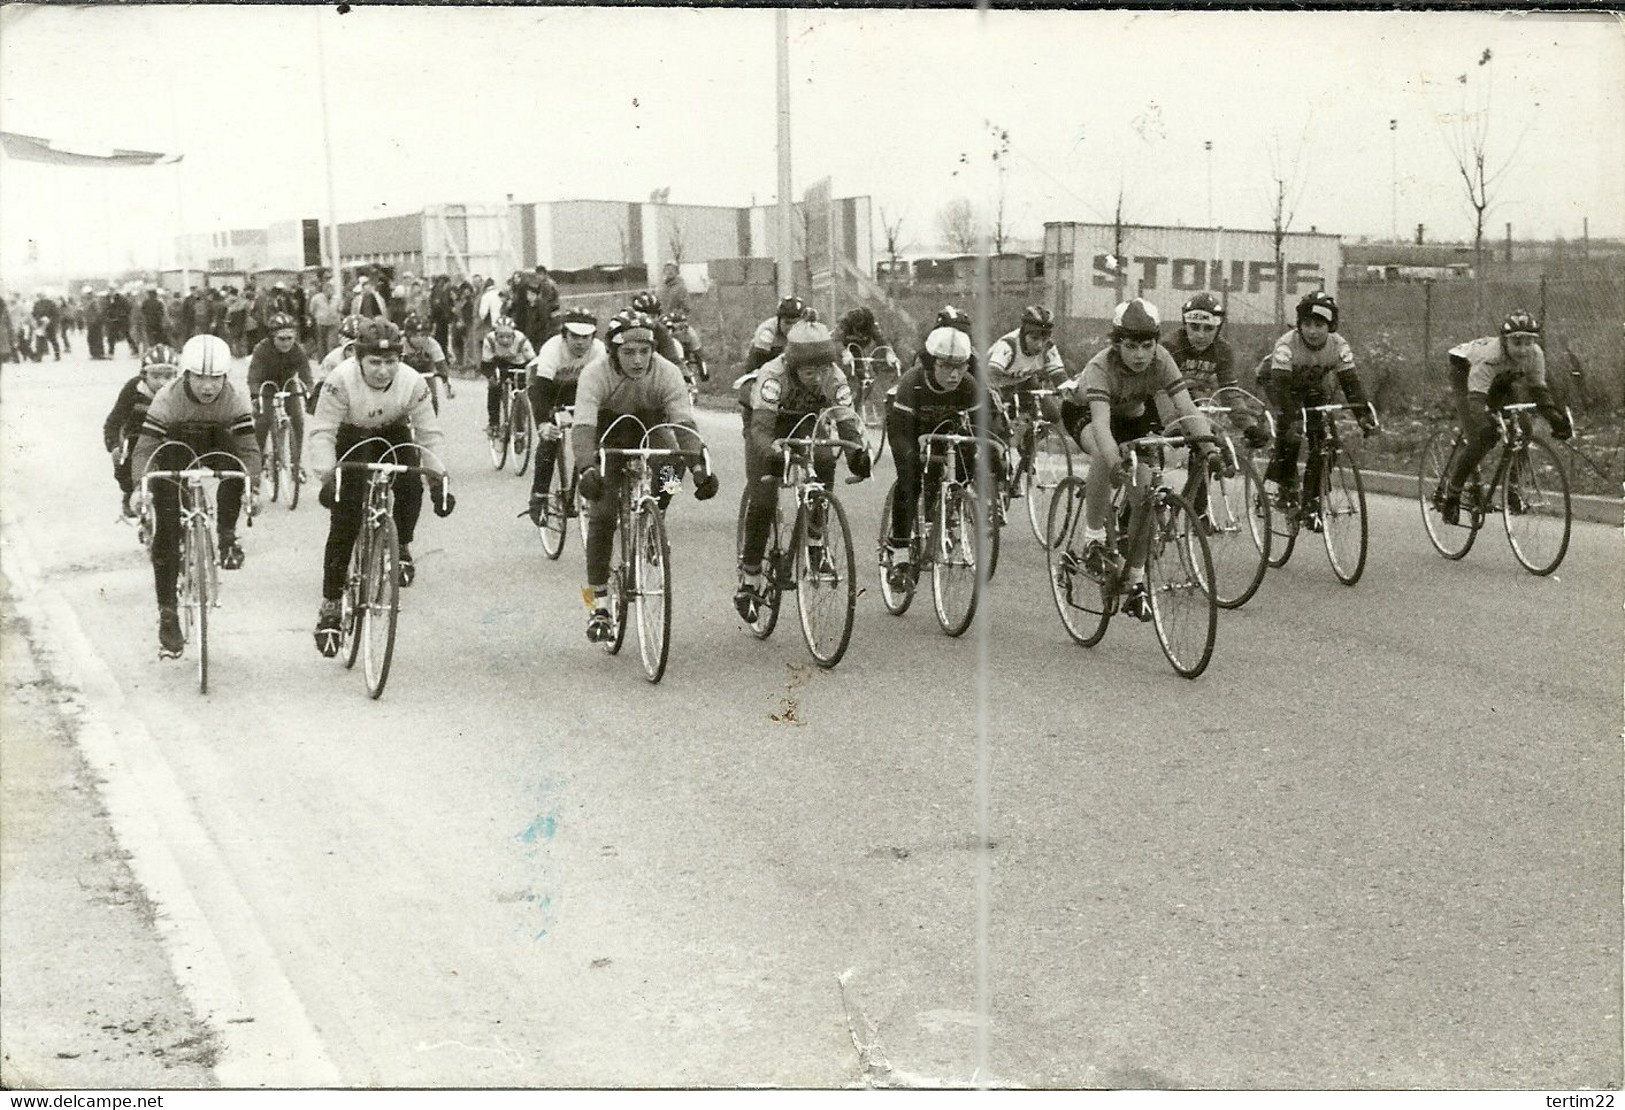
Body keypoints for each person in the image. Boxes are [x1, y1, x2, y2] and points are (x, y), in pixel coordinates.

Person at [1069, 298, 1227, 621]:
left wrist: (1209, 448)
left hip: (1132, 416)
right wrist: (1116, 465)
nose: (1140, 355)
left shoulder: (1162, 359)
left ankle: (1136, 581)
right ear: (1117, 345)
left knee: (1146, 490)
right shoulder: (1101, 367)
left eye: (1147, 346)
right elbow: (1101, 426)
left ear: (1156, 342)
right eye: (1131, 346)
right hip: (1088, 413)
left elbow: (1186, 407)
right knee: (1103, 453)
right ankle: (1094, 538)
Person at [307, 318, 454, 655]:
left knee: (410, 485)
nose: (383, 371)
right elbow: (323, 432)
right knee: (345, 517)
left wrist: (439, 482)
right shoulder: (340, 379)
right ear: (358, 358)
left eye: (391, 362)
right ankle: (330, 605)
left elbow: (429, 435)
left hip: (392, 430)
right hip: (351, 434)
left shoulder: (413, 382)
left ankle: (400, 545)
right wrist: (328, 477)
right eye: (375, 361)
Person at [570, 311, 718, 642]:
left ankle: (658, 510)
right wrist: (586, 467)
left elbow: (684, 426)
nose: (638, 361)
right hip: (608, 433)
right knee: (603, 515)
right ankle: (598, 605)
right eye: (628, 353)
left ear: (653, 350)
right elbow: (582, 429)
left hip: (651, 424)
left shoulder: (667, 372)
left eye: (644, 351)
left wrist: (699, 467)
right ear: (612, 353)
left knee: (672, 466)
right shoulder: (595, 374)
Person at [129, 335, 261, 656]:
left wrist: (253, 487)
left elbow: (248, 448)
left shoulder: (234, 397)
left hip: (217, 447)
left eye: (215, 377)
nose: (207, 386)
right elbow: (146, 448)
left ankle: (226, 535)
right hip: (175, 450)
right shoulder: (167, 398)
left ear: (225, 377)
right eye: (200, 377)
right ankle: (168, 613)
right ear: (185, 374)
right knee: (168, 528)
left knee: (236, 469)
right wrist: (140, 487)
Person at [734, 312, 869, 622]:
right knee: (765, 498)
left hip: (807, 421)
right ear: (793, 365)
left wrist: (856, 456)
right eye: (810, 372)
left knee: (823, 459)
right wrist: (771, 453)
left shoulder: (834, 376)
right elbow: (761, 430)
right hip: (767, 423)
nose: (818, 378)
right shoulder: (772, 374)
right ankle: (750, 579)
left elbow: (846, 420)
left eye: (824, 370)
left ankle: (816, 542)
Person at [881, 325, 1005, 589]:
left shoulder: (969, 385)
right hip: (908, 427)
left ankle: (946, 508)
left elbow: (980, 427)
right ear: (929, 364)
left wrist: (994, 448)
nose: (954, 374)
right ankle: (901, 550)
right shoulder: (912, 382)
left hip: (944, 430)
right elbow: (901, 433)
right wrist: (912, 451)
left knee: (968, 458)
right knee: (910, 476)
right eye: (946, 366)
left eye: (960, 366)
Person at [1260, 291, 1378, 532]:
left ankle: (1311, 499)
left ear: (1330, 326)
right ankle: (1285, 484)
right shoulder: (1287, 344)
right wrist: (1292, 418)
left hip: (1313, 388)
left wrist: (1363, 416)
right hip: (1280, 384)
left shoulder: (1339, 345)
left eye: (1319, 325)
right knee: (1292, 431)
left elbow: (1350, 383)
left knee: (1327, 444)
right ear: (1299, 325)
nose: (1312, 331)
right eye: (1307, 324)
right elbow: (1281, 388)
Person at [1437, 310, 1571, 524]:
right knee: (1481, 437)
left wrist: (1555, 418)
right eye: (1516, 342)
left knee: (1524, 428)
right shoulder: (1491, 357)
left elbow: (1539, 392)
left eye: (1529, 342)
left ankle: (1513, 489)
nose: (1523, 349)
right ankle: (1452, 494)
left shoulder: (1535, 355)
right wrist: (1484, 420)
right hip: (1464, 370)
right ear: (1504, 341)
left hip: (1500, 379)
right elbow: (1477, 400)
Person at [1159, 293, 1269, 450]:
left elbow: (1229, 392)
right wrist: (1173, 422)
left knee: (1210, 438)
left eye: (1209, 328)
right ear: (1185, 325)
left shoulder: (1222, 350)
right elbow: (1160, 391)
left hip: (1194, 400)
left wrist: (1248, 427)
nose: (1200, 335)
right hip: (1165, 403)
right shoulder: (1170, 346)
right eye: (1194, 327)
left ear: (1218, 329)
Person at [525, 306, 605, 521]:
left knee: (595, 434)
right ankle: (539, 495)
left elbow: (603, 389)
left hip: (577, 388)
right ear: (564, 335)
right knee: (550, 438)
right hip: (547, 387)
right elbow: (540, 391)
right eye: (574, 336)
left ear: (593, 337)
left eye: (585, 337)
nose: (580, 342)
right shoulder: (552, 349)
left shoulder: (599, 349)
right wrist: (542, 424)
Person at [986, 305, 1069, 491]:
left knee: (1053, 414)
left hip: (1023, 381)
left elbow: (1060, 377)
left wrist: (1068, 393)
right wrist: (1000, 403)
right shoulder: (1007, 346)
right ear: (1023, 333)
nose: (1039, 345)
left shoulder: (1048, 348)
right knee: (1001, 429)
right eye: (1034, 338)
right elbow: (991, 375)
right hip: (995, 383)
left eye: (1044, 338)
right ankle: (1003, 475)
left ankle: (1027, 446)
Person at [104, 344, 180, 516]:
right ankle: (131, 492)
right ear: (144, 376)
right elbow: (114, 421)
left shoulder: (180, 391)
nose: (162, 382)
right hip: (139, 439)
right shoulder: (134, 389)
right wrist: (114, 445)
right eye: (156, 376)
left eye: (168, 376)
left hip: (170, 438)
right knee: (126, 454)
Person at [247, 312, 314, 474]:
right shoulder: (261, 350)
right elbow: (253, 377)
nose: (286, 343)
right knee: (263, 420)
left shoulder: (298, 350)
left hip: (288, 385)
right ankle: (258, 460)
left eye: (290, 338)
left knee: (297, 419)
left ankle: (295, 463)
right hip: (266, 386)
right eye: (281, 339)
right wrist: (256, 396)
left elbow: (306, 374)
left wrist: (310, 393)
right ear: (272, 337)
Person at [481, 315, 537, 437]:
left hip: (519, 363)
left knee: (520, 392)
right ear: (495, 335)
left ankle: (520, 425)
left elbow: (533, 362)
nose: (505, 340)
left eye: (508, 337)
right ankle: (494, 423)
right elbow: (486, 365)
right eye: (501, 337)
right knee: (494, 389)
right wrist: (491, 377)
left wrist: (531, 380)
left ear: (514, 335)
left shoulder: (522, 340)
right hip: (499, 362)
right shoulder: (489, 340)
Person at [400, 311, 454, 409]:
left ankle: (431, 418)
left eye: (423, 335)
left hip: (425, 371)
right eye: (415, 336)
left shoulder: (432, 344)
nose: (419, 339)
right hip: (404, 372)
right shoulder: (400, 343)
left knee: (432, 397)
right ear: (407, 335)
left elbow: (442, 367)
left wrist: (448, 389)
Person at [744, 295, 807, 372]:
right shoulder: (767, 331)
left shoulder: (809, 330)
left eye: (796, 324)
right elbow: (758, 367)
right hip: (764, 363)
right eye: (787, 323)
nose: (791, 328)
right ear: (779, 319)